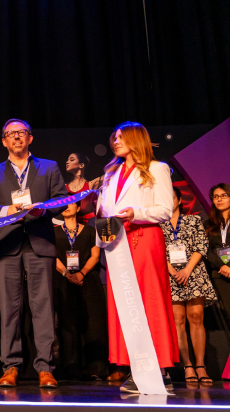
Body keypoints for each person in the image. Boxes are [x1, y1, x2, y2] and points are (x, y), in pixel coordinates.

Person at [0, 118, 66, 389]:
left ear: (30, 138)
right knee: (10, 310)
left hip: (40, 241)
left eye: (21, 133)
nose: (16, 137)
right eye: (10, 134)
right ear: (4, 141)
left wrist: (43, 209)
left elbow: (61, 199)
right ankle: (11, 366)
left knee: (43, 308)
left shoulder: (49, 167)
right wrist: (7, 211)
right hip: (7, 244)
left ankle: (45, 368)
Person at [95, 121, 178, 394]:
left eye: (121, 137)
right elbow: (102, 212)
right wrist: (102, 240)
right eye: (114, 137)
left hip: (143, 239)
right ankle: (134, 367)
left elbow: (165, 209)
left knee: (148, 301)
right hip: (116, 244)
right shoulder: (110, 173)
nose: (115, 141)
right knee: (124, 304)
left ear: (136, 139)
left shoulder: (157, 168)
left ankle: (160, 368)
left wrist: (135, 212)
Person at [160, 187, 217, 384]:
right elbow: (158, 251)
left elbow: (201, 246)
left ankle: (201, 366)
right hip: (171, 276)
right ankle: (187, 366)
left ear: (179, 200)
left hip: (194, 273)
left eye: (171, 197)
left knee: (196, 317)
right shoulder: (159, 225)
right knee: (178, 320)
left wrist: (187, 270)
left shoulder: (193, 220)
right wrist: (173, 272)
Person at [52, 201, 108, 380]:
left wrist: (82, 273)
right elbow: (53, 257)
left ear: (78, 208)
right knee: (68, 324)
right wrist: (67, 273)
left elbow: (95, 256)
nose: (67, 206)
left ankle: (96, 367)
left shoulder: (91, 230)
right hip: (63, 281)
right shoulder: (53, 232)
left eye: (71, 203)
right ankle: (71, 367)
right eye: (64, 204)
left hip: (88, 280)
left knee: (93, 323)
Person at [206, 184, 230, 322]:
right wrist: (222, 266)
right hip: (220, 273)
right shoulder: (208, 224)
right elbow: (206, 249)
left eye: (223, 196)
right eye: (215, 197)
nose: (219, 199)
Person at [64, 153, 100, 224]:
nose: (67, 162)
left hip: (89, 225)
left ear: (81, 165)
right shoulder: (65, 187)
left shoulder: (91, 184)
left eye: (72, 160)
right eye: (67, 160)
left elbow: (111, 175)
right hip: (71, 224)